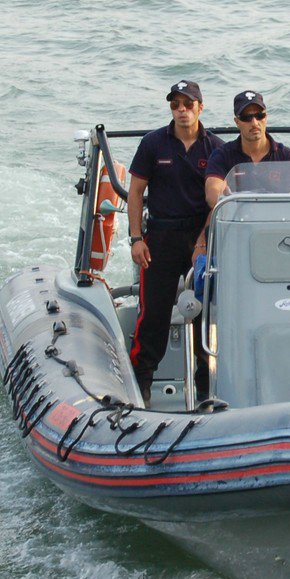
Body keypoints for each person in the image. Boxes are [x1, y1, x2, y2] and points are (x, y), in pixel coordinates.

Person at [127, 80, 223, 395]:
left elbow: (221, 201)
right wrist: (136, 238)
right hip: (160, 238)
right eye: (175, 104)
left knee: (204, 313)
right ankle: (141, 381)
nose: (181, 110)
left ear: (200, 107)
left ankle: (206, 386)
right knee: (153, 314)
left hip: (202, 239)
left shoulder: (217, 149)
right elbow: (136, 193)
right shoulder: (153, 144)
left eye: (188, 104)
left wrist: (203, 242)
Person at [199, 91, 290, 260]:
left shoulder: (287, 157)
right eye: (247, 117)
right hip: (236, 232)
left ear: (266, 117)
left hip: (279, 233)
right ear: (237, 122)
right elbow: (212, 194)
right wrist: (220, 189)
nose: (254, 122)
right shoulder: (223, 154)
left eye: (259, 115)